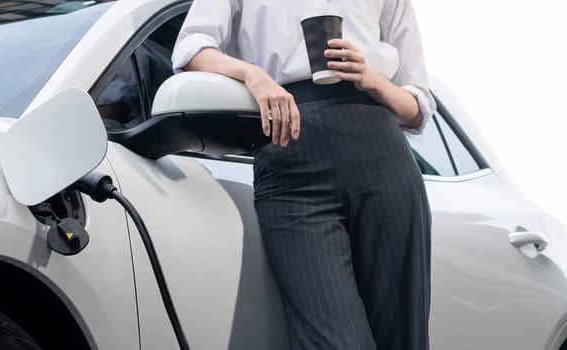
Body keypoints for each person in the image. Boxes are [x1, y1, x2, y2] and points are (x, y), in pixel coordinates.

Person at [171, 1, 434, 349]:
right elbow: (190, 49)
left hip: (382, 151)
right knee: (336, 342)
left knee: (402, 339)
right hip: (290, 152)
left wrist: (373, 80)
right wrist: (252, 74)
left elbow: (417, 107)